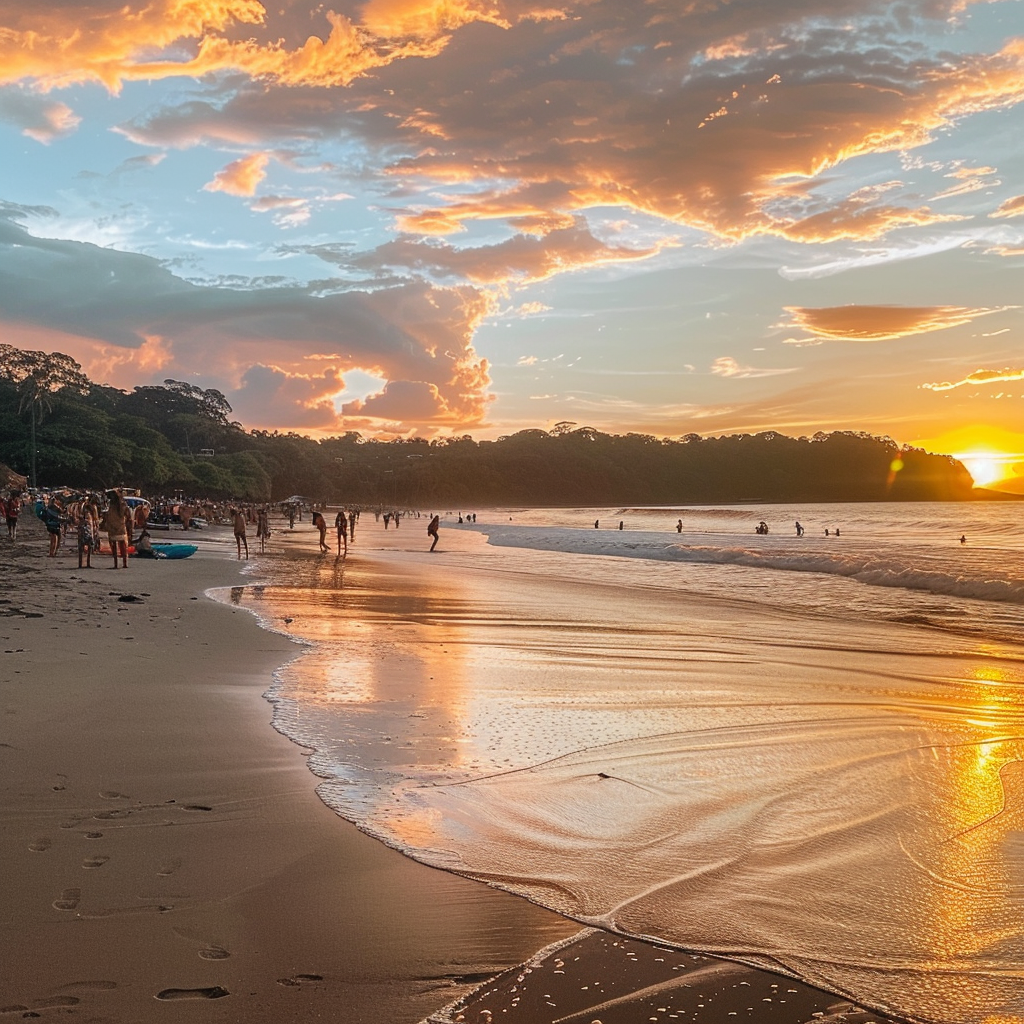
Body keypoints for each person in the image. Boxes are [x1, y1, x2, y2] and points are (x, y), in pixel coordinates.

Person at [102, 489, 130, 569]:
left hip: (112, 528)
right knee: (123, 546)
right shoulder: (122, 505)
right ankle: (125, 563)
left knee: (114, 546)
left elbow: (107, 516)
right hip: (120, 527)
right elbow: (127, 514)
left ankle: (116, 564)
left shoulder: (111, 506)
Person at [77, 497, 98, 568]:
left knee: (81, 546)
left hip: (82, 528)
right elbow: (95, 520)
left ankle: (80, 564)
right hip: (88, 529)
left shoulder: (82, 509)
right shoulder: (91, 512)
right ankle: (87, 563)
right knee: (89, 546)